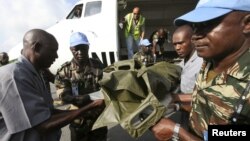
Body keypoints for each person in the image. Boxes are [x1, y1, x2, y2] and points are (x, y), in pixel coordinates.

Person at [151, 0, 250, 140]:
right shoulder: (211, 61)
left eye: (207, 24)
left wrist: (178, 133)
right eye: (195, 27)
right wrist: (178, 105)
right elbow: (208, 103)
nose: (195, 35)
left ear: (247, 23)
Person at [0, 29, 104, 141]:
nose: (56, 56)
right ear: (37, 47)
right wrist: (90, 106)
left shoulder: (36, 74)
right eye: (53, 50)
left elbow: (48, 112)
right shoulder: (14, 76)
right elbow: (43, 124)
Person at [54, 32, 107, 141]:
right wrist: (92, 97)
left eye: (83, 48)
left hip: (99, 119)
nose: (80, 52)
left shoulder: (98, 65)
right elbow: (66, 97)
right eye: (76, 49)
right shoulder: (65, 71)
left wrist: (88, 98)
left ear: (88, 47)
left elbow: (107, 89)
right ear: (71, 49)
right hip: (78, 120)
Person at [172, 25, 203, 94]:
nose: (177, 48)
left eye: (181, 43)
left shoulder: (201, 64)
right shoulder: (180, 64)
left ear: (192, 41)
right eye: (175, 44)